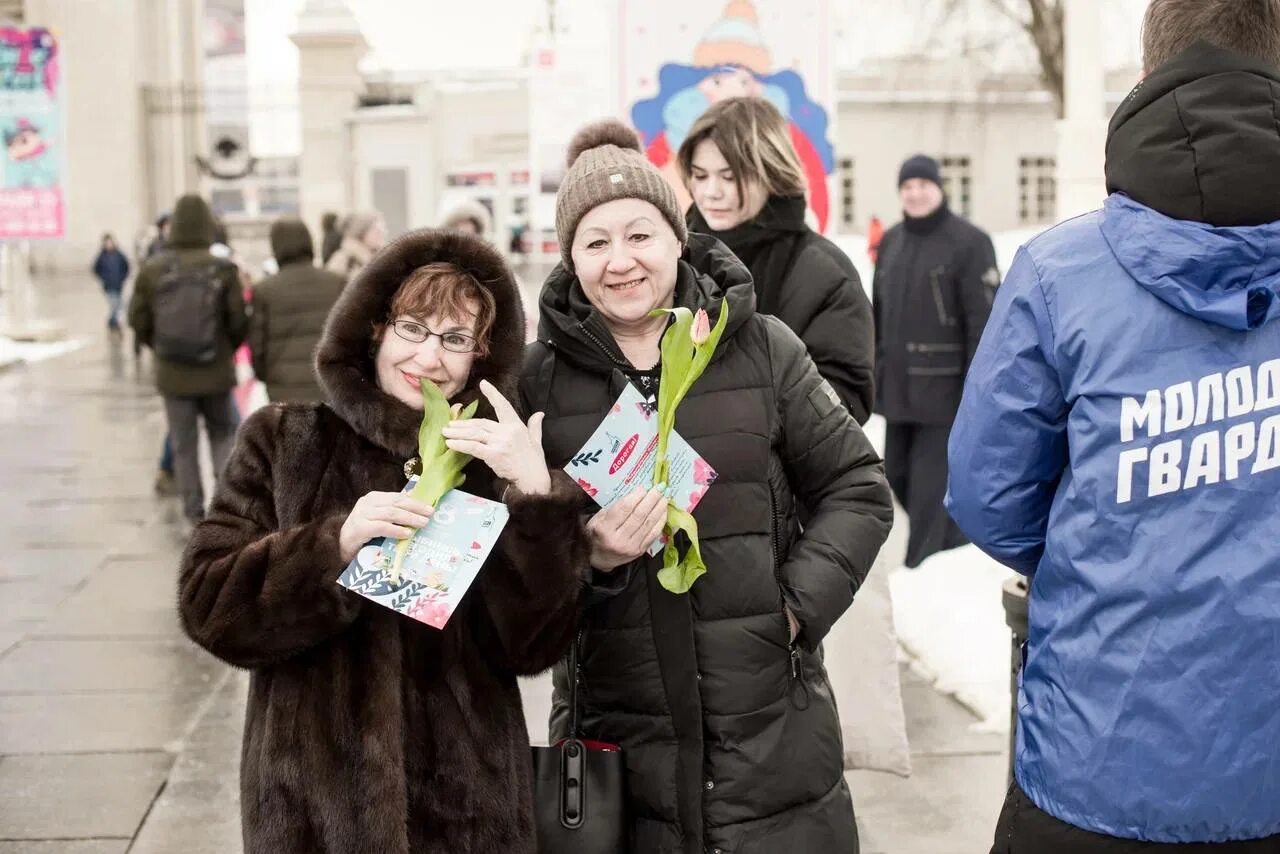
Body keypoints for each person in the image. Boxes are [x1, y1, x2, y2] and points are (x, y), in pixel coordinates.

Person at [946, 2, 1280, 851]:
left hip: (1098, 757)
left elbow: (989, 493)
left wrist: (1108, 548)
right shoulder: (1056, 274)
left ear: (1148, 76)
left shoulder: (1059, 273)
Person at [521, 118, 893, 854]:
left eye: (640, 235)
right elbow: (507, 563)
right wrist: (580, 555)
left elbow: (858, 485)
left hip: (767, 742)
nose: (620, 261)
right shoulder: (536, 380)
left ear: (677, 237)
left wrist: (790, 612)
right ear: (570, 257)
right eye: (596, 242)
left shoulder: (760, 348)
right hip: (616, 741)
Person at [179, 229, 591, 853]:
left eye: (455, 339)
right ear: (374, 329)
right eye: (413, 329)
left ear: (480, 355)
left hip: (467, 817)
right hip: (312, 820)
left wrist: (536, 499)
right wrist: (332, 548)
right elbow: (209, 605)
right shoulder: (284, 442)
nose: (429, 358)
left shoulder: (493, 466)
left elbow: (530, 647)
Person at [679, 96, 876, 424]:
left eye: (729, 177)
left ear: (770, 172)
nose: (711, 192)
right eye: (700, 176)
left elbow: (845, 399)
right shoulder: (673, 256)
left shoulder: (824, 272)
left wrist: (740, 428)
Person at [871, 153, 998, 568]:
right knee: (898, 479)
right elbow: (877, 313)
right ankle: (948, 550)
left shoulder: (969, 243)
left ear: (939, 188)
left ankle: (922, 567)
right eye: (907, 187)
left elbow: (983, 323)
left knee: (930, 489)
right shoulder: (891, 242)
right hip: (898, 392)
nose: (915, 193)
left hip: (945, 394)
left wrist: (976, 389)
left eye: (923, 185)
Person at [128, 194, 248, 523]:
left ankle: (193, 512)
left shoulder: (153, 269)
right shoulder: (222, 268)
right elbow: (238, 321)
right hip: (216, 371)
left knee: (183, 444)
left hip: (173, 373)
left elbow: (137, 319)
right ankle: (225, 510)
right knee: (223, 434)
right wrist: (225, 348)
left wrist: (161, 346)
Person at [248, 217, 346, 404]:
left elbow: (257, 345)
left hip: (283, 386)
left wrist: (265, 375)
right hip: (329, 383)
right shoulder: (336, 282)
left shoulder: (264, 290)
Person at [325, 210, 386, 280]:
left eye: (383, 228)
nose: (382, 233)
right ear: (360, 233)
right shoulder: (342, 260)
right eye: (376, 230)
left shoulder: (381, 258)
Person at [91, 233, 130, 332]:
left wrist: (123, 277)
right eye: (107, 242)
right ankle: (114, 323)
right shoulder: (102, 256)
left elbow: (126, 266)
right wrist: (103, 278)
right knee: (114, 305)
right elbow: (95, 269)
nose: (109, 244)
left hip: (118, 285)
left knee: (119, 305)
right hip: (108, 286)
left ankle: (112, 321)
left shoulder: (119, 254)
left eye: (110, 242)